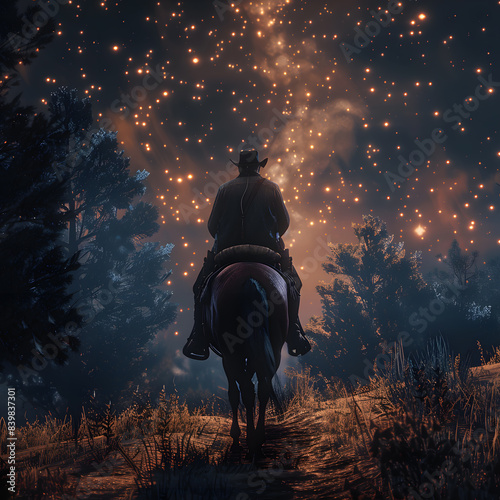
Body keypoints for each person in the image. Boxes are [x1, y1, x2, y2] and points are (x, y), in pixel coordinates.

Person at [183, 149, 311, 360]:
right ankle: (294, 332)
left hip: (227, 253)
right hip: (267, 252)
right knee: (293, 284)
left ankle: (198, 337)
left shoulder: (224, 189)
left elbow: (212, 226)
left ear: (240, 167)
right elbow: (284, 222)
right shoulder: (272, 188)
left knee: (199, 287)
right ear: (259, 166)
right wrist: (271, 234)